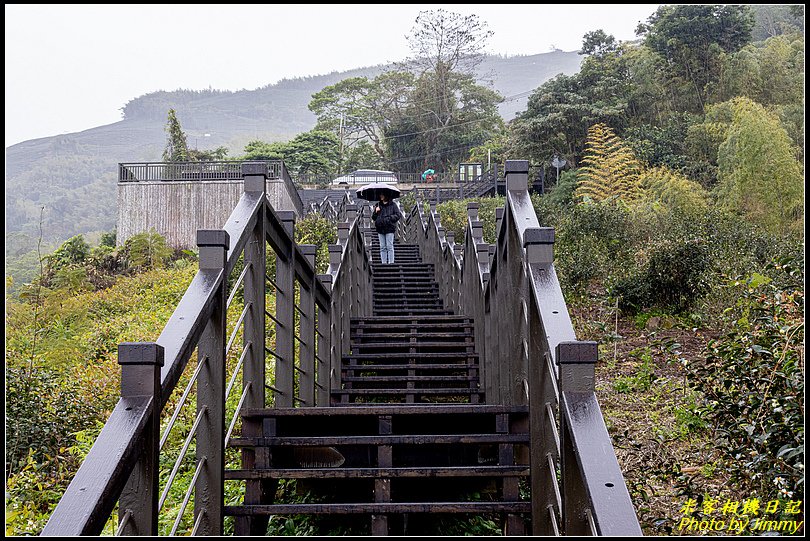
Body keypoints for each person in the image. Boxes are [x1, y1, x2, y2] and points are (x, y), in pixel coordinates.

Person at [371, 192, 403, 264]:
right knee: (382, 247)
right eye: (380, 194)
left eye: (382, 194)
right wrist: (376, 212)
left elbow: (398, 215)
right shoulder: (378, 205)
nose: (381, 196)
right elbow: (373, 218)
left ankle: (391, 262)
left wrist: (389, 218)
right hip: (380, 228)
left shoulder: (393, 205)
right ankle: (384, 263)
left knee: (389, 246)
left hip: (389, 228)